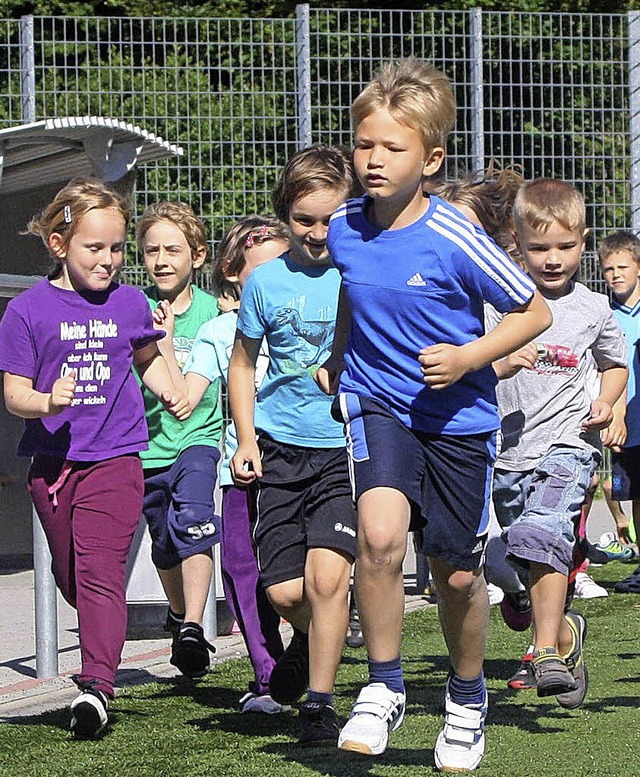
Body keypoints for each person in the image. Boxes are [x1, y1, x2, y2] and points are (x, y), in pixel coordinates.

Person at [316, 59, 551, 772]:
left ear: (431, 158)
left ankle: (466, 695)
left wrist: (470, 357)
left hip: (456, 418)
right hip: (376, 401)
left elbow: (533, 310)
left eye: (393, 147)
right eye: (364, 145)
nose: (374, 159)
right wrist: (336, 355)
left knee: (453, 573)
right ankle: (384, 685)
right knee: (381, 538)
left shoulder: (454, 234)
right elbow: (357, 295)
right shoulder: (342, 228)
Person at [0, 178, 190, 738]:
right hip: (54, 466)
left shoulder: (130, 302)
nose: (108, 260)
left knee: (101, 571)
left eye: (116, 249)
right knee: (71, 574)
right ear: (59, 245)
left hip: (117, 458)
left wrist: (170, 387)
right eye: (94, 248)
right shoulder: (26, 312)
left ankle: (96, 687)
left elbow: (149, 357)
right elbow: (13, 394)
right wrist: (45, 400)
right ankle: (101, 647)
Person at [228, 144, 360, 745]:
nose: (318, 231)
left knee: (328, 581)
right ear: (285, 217)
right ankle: (314, 637)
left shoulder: (359, 275)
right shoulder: (265, 283)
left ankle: (321, 701)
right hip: (278, 448)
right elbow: (242, 364)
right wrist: (247, 438)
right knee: (286, 592)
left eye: (331, 218)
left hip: (342, 448)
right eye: (305, 219)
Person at [489, 179, 627, 708]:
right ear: (517, 243)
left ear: (583, 242)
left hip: (569, 443)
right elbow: (472, 362)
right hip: (507, 451)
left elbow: (615, 364)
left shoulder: (593, 308)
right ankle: (566, 631)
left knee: (544, 531)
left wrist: (608, 403)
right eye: (539, 248)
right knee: (520, 552)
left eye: (565, 248)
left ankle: (544, 649)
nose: (552, 260)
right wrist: (502, 361)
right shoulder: (495, 302)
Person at [182, 215, 290, 711]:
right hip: (240, 472)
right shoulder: (218, 331)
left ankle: (310, 659)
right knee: (243, 574)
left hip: (305, 467)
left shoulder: (316, 317)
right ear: (232, 273)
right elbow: (185, 394)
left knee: (301, 577)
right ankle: (268, 676)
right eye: (261, 270)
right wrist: (153, 343)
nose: (275, 280)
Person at [136, 201, 224, 678]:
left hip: (199, 439)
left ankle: (192, 626)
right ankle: (176, 611)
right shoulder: (134, 311)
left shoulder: (213, 313)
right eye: (152, 251)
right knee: (163, 541)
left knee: (193, 519)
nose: (163, 260)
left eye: (173, 249)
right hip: (149, 444)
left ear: (198, 255)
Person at [598, 230, 640, 592]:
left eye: (623, 266)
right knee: (635, 490)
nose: (616, 275)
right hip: (625, 414)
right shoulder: (604, 315)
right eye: (609, 268)